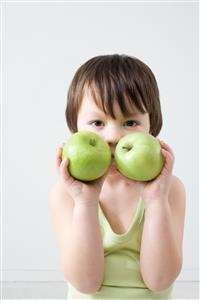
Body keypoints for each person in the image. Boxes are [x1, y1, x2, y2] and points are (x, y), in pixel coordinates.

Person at [49, 54, 186, 299]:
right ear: (75, 127)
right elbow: (86, 283)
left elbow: (159, 280)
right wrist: (85, 203)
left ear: (151, 126)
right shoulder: (65, 193)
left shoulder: (170, 189)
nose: (113, 136)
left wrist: (156, 200)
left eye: (130, 122)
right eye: (97, 123)